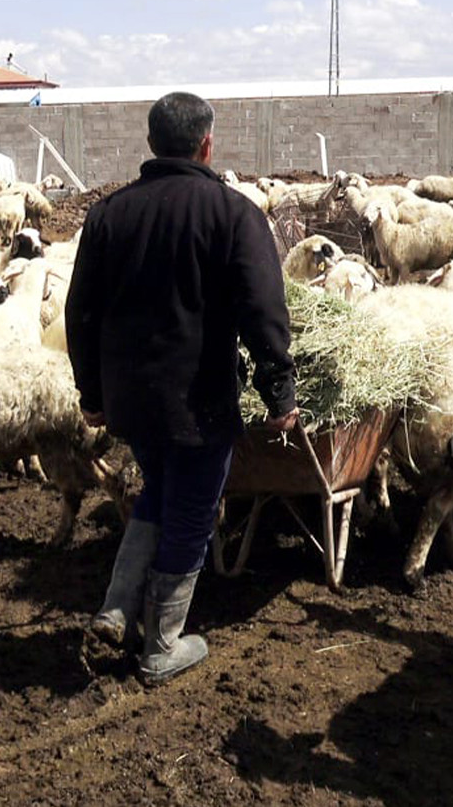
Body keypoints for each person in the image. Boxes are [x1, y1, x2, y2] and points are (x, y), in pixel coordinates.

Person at [65, 91, 298, 686]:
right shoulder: (232, 213)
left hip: (130, 401)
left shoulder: (108, 215)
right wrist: (281, 395)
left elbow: (80, 312)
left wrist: (91, 393)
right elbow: (263, 312)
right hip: (198, 402)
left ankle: (117, 610)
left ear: (150, 144)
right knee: (193, 512)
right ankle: (162, 643)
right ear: (207, 144)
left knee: (159, 491)